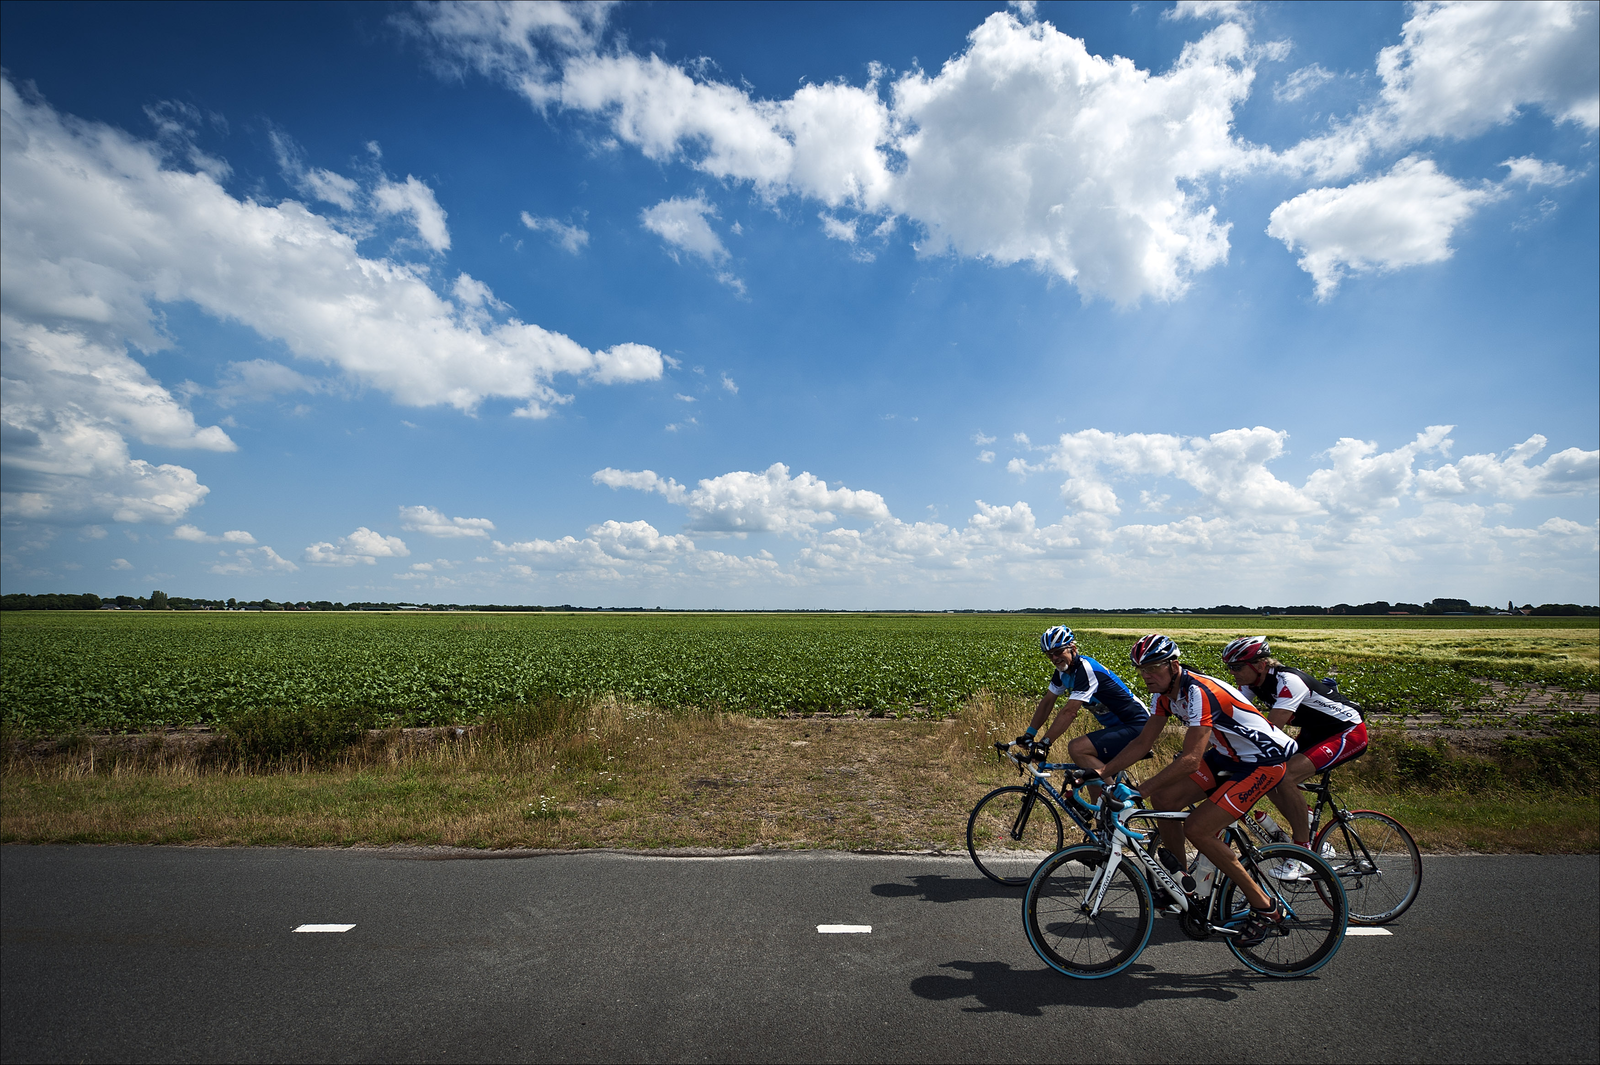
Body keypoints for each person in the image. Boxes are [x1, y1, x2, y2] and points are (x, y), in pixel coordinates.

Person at [1094, 634, 1299, 947]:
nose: (1146, 675)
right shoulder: (1164, 694)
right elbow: (1142, 742)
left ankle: (1265, 907)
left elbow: (1191, 760)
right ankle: (1181, 883)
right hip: (1228, 755)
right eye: (1141, 670)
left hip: (1262, 760)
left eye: (1153, 668)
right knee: (1164, 800)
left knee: (1198, 829)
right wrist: (1099, 773)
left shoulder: (1198, 691)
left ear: (1174, 665)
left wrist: (1139, 791)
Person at [1221, 635, 1368, 878]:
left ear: (1259, 664)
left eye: (1236, 667)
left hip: (1347, 732)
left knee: (1284, 776)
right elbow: (1232, 715)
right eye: (1229, 667)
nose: (1232, 672)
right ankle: (1315, 833)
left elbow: (1271, 729)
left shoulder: (1290, 681)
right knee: (1268, 775)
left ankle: (1303, 854)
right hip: (1316, 733)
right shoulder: (1250, 683)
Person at [1015, 626, 1149, 782]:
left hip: (1138, 725)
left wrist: (1045, 742)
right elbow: (1047, 702)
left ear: (1073, 648)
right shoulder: (1062, 672)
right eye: (1049, 655)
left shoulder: (1086, 669)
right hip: (1118, 728)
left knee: (1077, 748)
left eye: (1058, 652)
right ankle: (1107, 799)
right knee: (1092, 783)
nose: (1054, 658)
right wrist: (1029, 734)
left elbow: (1070, 712)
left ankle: (1115, 795)